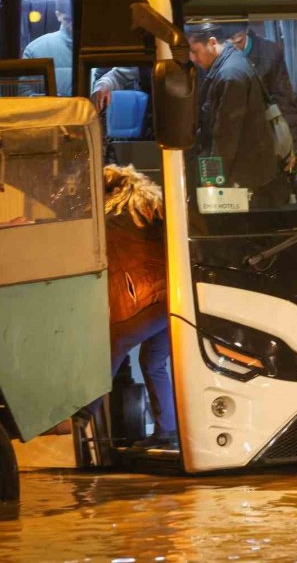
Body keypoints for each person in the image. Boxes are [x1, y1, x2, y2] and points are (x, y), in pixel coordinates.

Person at [104, 164, 176, 449]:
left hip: (145, 303)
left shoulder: (117, 216)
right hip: (171, 299)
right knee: (153, 362)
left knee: (110, 352)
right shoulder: (153, 207)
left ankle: (79, 419)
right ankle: (167, 431)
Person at [188, 22, 287, 206]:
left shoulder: (230, 75)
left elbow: (225, 136)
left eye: (195, 51)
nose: (193, 58)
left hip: (241, 174)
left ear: (212, 42)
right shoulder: (233, 59)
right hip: (248, 169)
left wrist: (211, 182)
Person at [22, 0, 73, 96]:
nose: (73, 26)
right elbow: (24, 93)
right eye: (68, 20)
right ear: (58, 15)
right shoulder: (34, 50)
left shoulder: (35, 49)